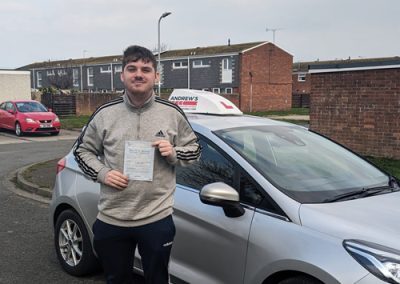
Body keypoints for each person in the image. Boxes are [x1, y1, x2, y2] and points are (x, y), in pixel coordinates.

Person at [73, 45, 201, 284]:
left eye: (146, 69)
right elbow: (82, 151)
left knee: (157, 280)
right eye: (132, 68)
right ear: (122, 75)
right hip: (112, 218)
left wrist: (174, 152)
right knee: (116, 279)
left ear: (156, 76)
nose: (139, 74)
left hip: (156, 217)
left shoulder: (172, 113)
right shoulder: (104, 113)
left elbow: (195, 149)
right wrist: (103, 173)